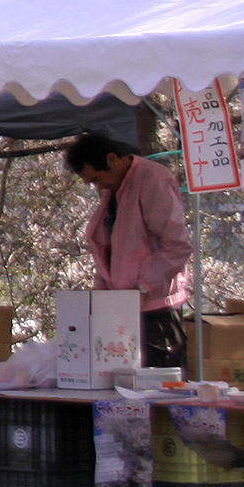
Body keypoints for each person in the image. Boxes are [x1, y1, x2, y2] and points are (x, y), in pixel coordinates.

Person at [66, 130, 195, 368]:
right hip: (123, 306)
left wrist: (144, 286)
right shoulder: (114, 190)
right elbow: (110, 249)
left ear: (113, 159)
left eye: (96, 179)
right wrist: (102, 294)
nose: (97, 187)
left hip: (156, 305)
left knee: (159, 389)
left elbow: (177, 245)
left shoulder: (152, 180)